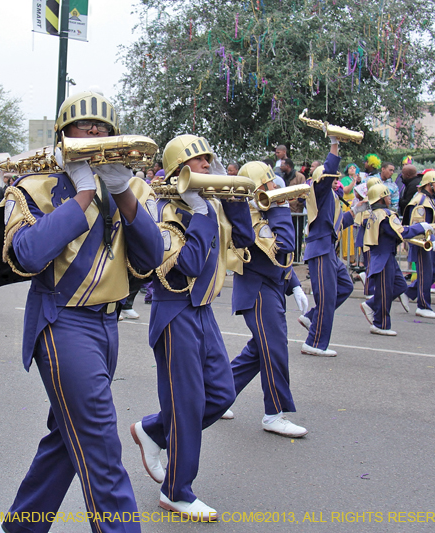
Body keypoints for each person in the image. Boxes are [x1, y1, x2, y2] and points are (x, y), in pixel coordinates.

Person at [0, 90, 163, 533]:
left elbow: (150, 260)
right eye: (82, 127)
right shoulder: (34, 186)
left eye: (102, 128)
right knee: (101, 448)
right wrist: (83, 193)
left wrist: (122, 191)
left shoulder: (134, 187)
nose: (93, 134)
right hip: (62, 322)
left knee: (64, 443)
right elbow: (27, 255)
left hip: (107, 326)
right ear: (62, 135)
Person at [129, 135, 254, 521]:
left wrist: (233, 199)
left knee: (221, 393)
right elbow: (192, 263)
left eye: (207, 159)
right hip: (175, 312)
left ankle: (152, 429)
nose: (206, 164)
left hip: (202, 311)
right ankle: (176, 491)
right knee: (185, 406)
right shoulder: (165, 210)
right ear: (180, 169)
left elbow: (245, 241)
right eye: (198, 160)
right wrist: (200, 212)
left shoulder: (209, 204)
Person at [226, 161, 309, 437]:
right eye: (270, 183)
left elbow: (279, 260)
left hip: (269, 287)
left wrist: (294, 284)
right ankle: (274, 413)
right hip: (258, 291)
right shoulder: (251, 216)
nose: (276, 188)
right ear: (258, 188)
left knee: (257, 353)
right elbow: (283, 245)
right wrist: (281, 208)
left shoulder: (264, 212)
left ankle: (213, 394)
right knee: (274, 350)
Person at [297, 136, 355, 357]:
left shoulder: (332, 195)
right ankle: (315, 343)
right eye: (334, 177)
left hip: (328, 250)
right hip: (320, 250)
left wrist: (357, 211)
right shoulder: (320, 190)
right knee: (326, 297)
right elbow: (329, 167)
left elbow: (337, 223)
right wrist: (335, 143)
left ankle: (311, 317)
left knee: (345, 286)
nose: (337, 179)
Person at [359, 183, 432, 335]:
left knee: (400, 286)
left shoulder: (373, 213)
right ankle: (381, 324)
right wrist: (421, 227)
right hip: (383, 256)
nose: (389, 198)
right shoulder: (385, 214)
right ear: (382, 197)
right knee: (385, 291)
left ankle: (372, 305)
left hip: (385, 254)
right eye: (387, 195)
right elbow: (400, 232)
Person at [403, 170, 435, 318]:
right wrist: (429, 241)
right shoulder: (421, 201)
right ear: (429, 184)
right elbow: (418, 226)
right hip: (423, 242)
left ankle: (409, 293)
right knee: (426, 273)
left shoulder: (431, 199)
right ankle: (423, 305)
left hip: (430, 240)